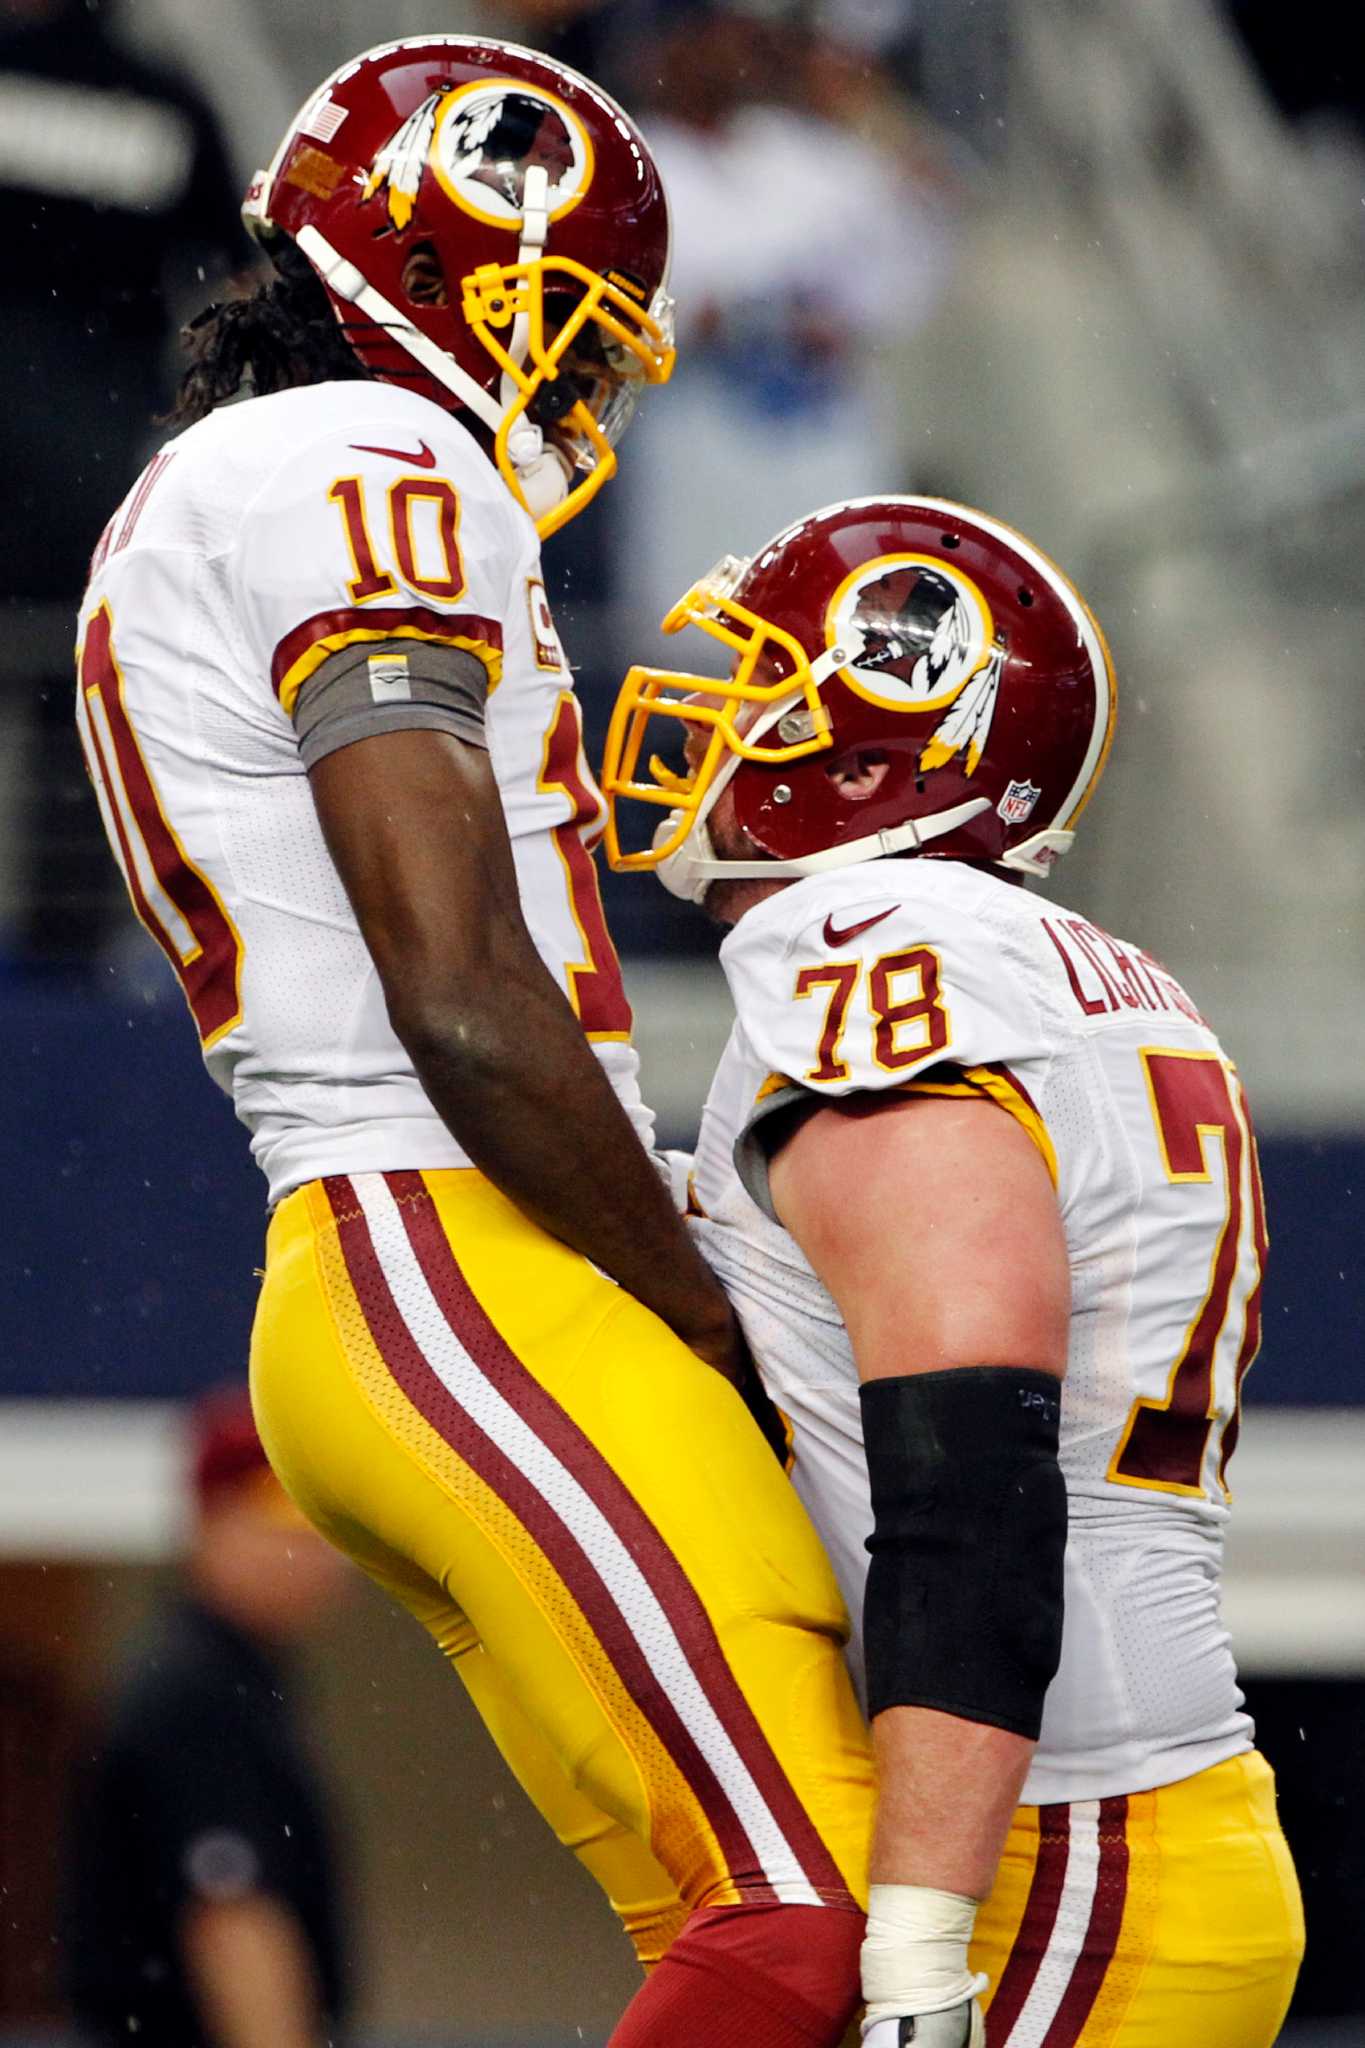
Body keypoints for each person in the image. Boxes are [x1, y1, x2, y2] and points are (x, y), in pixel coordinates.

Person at [75, 37, 874, 2047]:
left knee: (787, 1908)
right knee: (819, 1921)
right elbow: (452, 984)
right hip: (461, 1242)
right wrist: (694, 1293)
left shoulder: (259, 478)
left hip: (418, 1256)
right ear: (446, 267)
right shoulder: (365, 465)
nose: (585, 380)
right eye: (567, 323)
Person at [601, 495, 1305, 2046]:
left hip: (1050, 1855)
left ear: (868, 760)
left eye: (761, 677)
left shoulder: (867, 939)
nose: (718, 715)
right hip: (1107, 1823)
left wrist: (920, 1947)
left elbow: (968, 1465)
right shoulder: (1069, 972)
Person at [64, 1387, 351, 2048]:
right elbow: (232, 1919)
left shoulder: (239, 1676)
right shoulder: (197, 1690)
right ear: (212, 1524)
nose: (320, 1556)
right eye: (287, 1527)